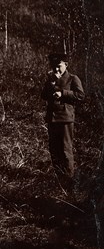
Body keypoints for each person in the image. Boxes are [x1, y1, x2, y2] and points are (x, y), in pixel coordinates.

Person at [41, 52, 85, 192]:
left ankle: (70, 184)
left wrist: (63, 93)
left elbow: (80, 96)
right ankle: (60, 183)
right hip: (53, 120)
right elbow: (43, 96)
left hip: (65, 119)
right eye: (53, 66)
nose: (56, 69)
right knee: (54, 151)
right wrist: (51, 85)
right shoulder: (51, 79)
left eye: (58, 66)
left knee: (66, 151)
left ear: (66, 65)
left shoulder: (73, 79)